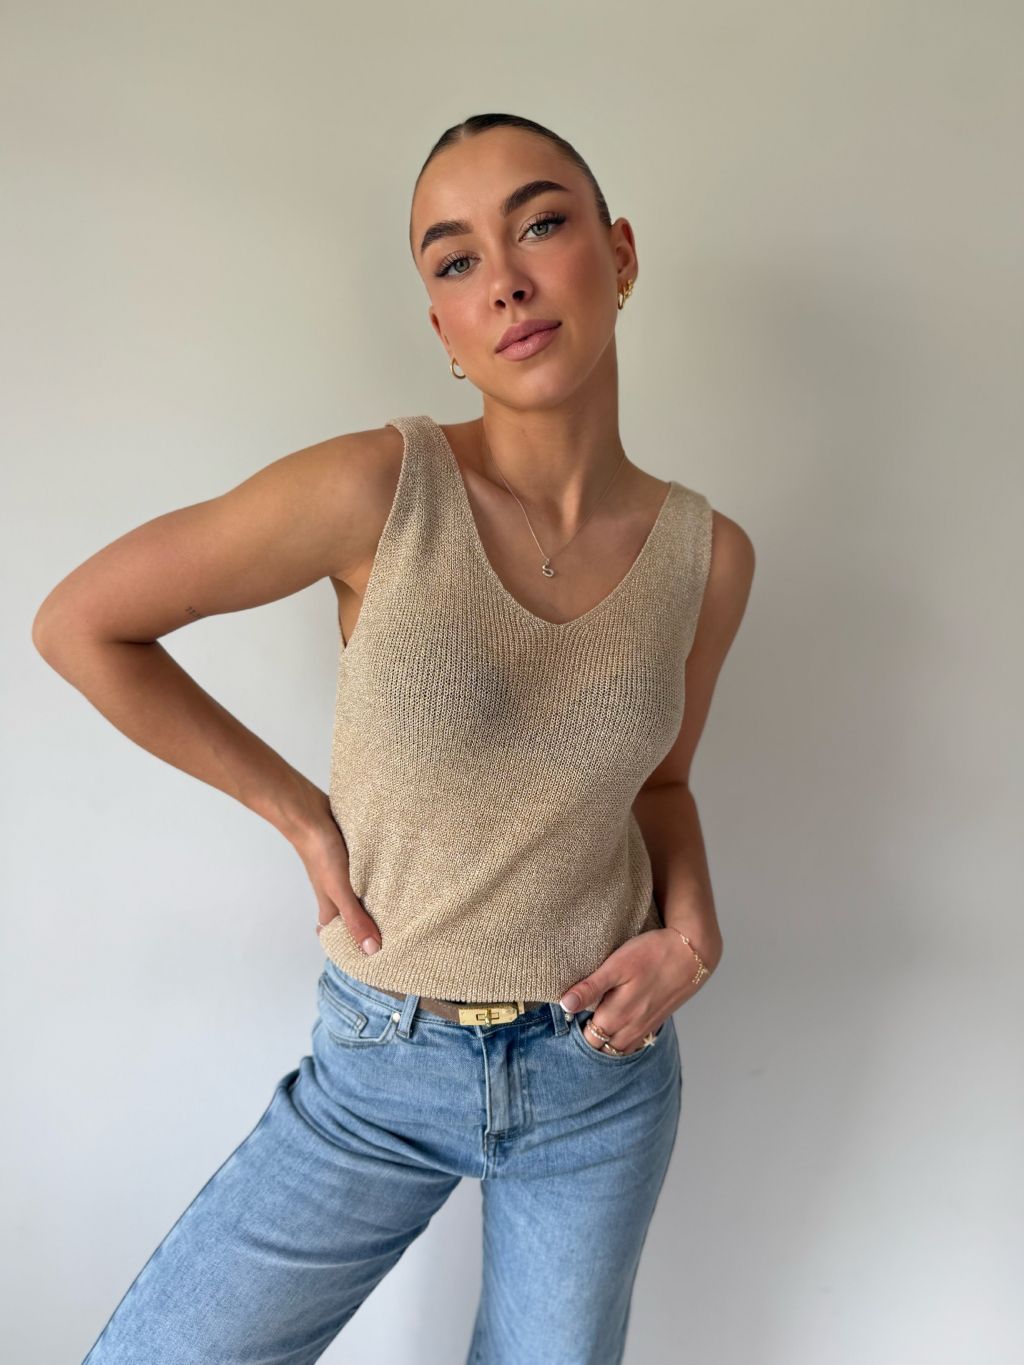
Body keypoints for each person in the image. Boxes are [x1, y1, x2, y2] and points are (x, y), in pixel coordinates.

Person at [33, 112, 755, 1365]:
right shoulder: (378, 489)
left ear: (620, 254)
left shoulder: (710, 556)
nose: (507, 280)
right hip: (383, 1063)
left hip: (599, 1075)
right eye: (457, 259)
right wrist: (296, 813)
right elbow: (82, 624)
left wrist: (691, 932)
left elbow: (663, 783)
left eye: (541, 224)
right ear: (441, 325)